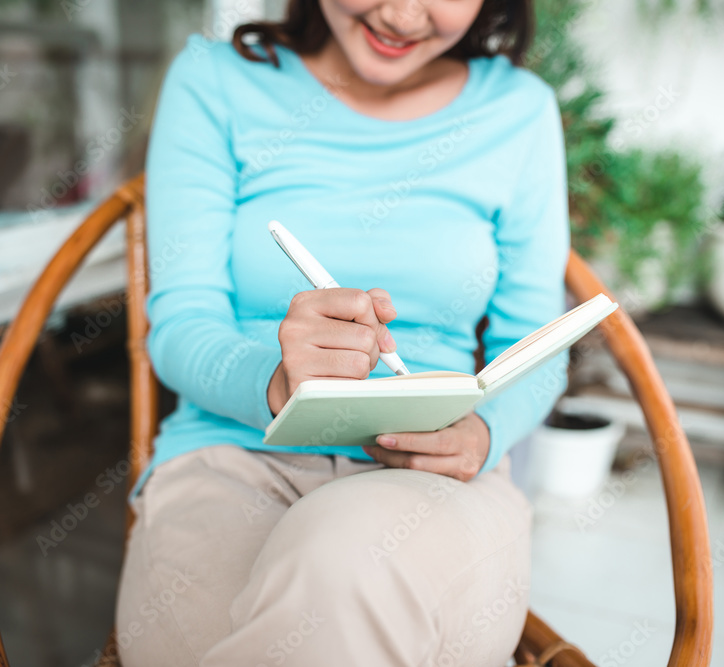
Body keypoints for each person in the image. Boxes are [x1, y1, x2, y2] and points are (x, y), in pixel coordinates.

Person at [115, 0, 570, 663]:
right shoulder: (214, 81)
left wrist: (483, 430)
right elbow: (182, 324)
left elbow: (538, 345)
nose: (402, 14)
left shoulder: (520, 111)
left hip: (438, 480)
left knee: (348, 557)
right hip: (230, 461)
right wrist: (275, 380)